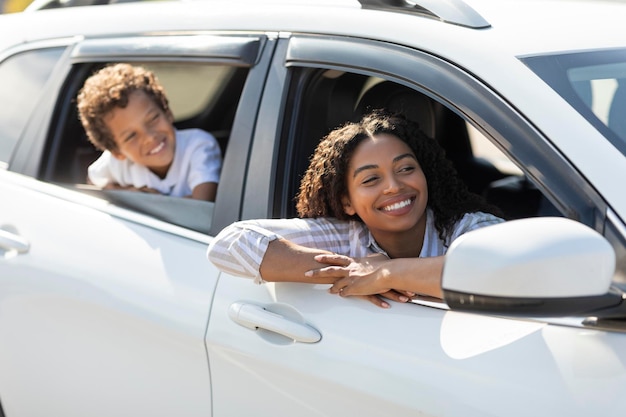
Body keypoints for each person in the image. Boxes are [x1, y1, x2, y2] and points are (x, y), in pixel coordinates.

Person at [207, 109, 505, 308]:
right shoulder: (346, 238)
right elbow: (228, 246)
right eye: (372, 178)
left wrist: (387, 273)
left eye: (405, 168)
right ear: (347, 201)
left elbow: (499, 270)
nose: (393, 186)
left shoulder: (464, 227)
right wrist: (351, 273)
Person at [77, 63, 222, 201]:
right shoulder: (116, 163)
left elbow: (201, 205)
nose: (149, 137)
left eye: (153, 119)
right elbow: (93, 181)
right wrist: (126, 192)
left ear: (167, 111)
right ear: (118, 152)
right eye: (131, 136)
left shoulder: (198, 146)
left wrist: (146, 201)